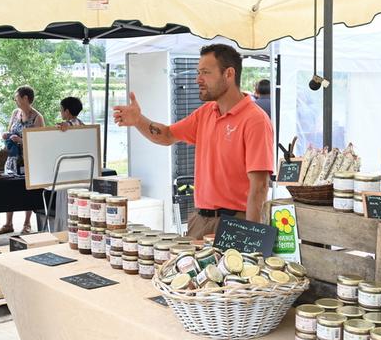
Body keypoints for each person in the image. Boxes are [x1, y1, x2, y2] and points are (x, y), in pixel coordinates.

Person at [114, 44, 273, 239]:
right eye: (198, 73)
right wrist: (138, 120)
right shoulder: (206, 113)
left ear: (229, 74)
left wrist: (251, 237)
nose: (198, 79)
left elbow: (260, 186)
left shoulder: (255, 120)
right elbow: (167, 135)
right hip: (200, 221)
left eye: (205, 72)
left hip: (236, 223)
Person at [0, 85, 45, 235]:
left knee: (26, 192)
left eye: (16, 97)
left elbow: (40, 142)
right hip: (12, 158)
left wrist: (21, 140)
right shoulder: (15, 113)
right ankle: (8, 224)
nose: (15, 100)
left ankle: (27, 223)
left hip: (27, 161)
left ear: (25, 98)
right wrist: (6, 135)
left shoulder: (37, 118)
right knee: (9, 190)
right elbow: (10, 130)